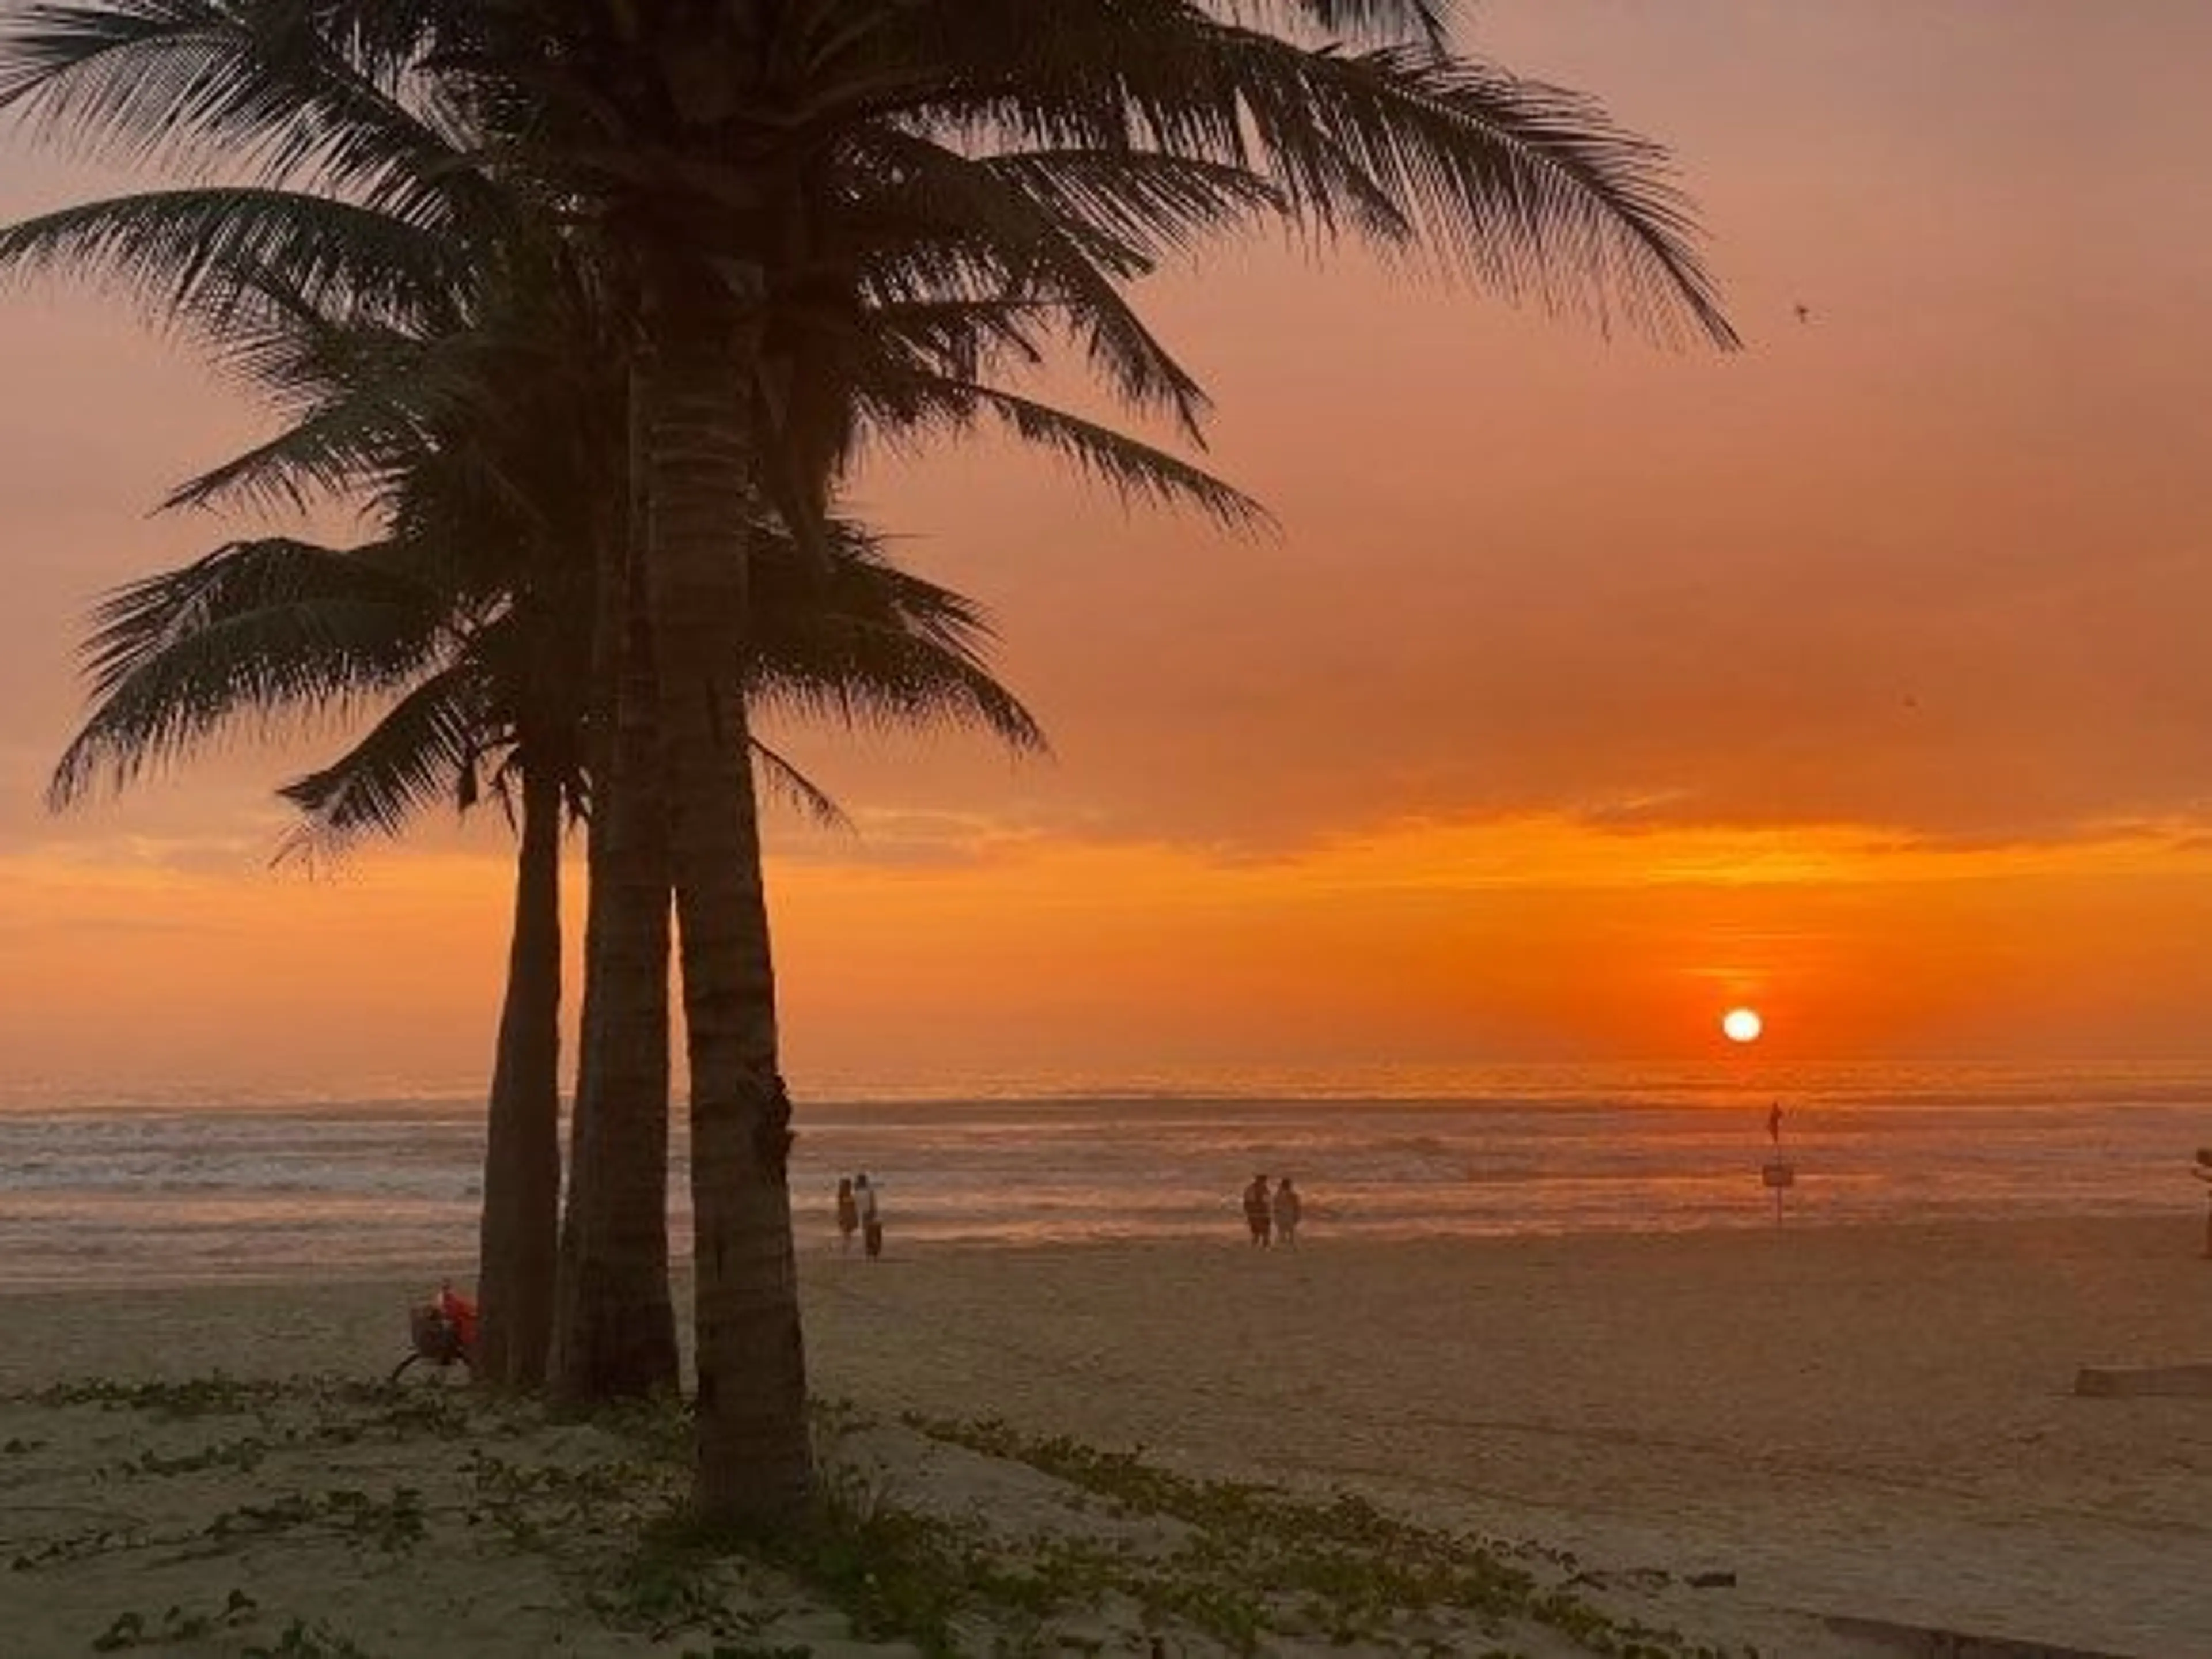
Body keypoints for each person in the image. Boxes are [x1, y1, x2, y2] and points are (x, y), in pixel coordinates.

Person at [857, 1172, 883, 1259]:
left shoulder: (859, 1192)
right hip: (869, 1213)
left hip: (865, 1213)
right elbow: (872, 1202)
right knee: (872, 1233)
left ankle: (870, 1251)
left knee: (868, 1233)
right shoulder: (868, 1191)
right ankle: (873, 1251)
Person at [1243, 1173, 1272, 1247]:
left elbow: (1267, 1202)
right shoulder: (1252, 1189)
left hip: (1261, 1214)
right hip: (1257, 1214)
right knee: (1257, 1232)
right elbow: (1247, 1203)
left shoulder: (1263, 1189)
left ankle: (1262, 1247)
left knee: (1263, 1232)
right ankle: (1257, 1247)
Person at [1272, 1176, 1302, 1247]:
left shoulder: (1279, 1195)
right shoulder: (1292, 1195)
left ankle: (1285, 1244)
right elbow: (1297, 1206)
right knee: (1289, 1231)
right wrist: (1297, 1215)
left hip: (1284, 1214)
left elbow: (1275, 1205)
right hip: (1288, 1214)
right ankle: (1289, 1244)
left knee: (1283, 1231)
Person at [835, 1176, 859, 1253]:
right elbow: (852, 1208)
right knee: (847, 1235)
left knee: (847, 1235)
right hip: (848, 1218)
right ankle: (846, 1248)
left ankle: (846, 1248)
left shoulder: (842, 1197)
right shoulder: (848, 1197)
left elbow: (841, 1209)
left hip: (845, 1218)